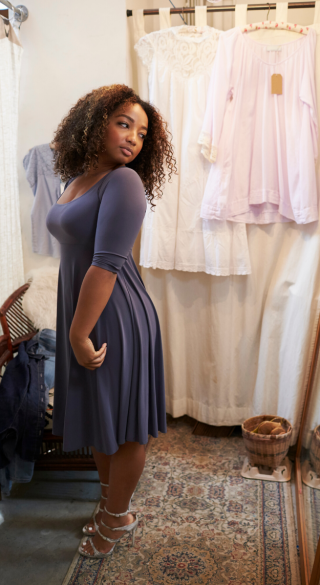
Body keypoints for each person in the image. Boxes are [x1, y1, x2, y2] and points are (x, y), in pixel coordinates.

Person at [46, 84, 176, 559]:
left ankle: (117, 517)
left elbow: (105, 263)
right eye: (124, 124)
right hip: (84, 310)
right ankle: (110, 504)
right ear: (93, 122)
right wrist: (75, 326)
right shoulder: (80, 178)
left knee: (123, 427)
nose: (133, 139)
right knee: (101, 418)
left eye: (142, 133)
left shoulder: (124, 182)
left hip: (114, 316)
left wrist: (79, 331)